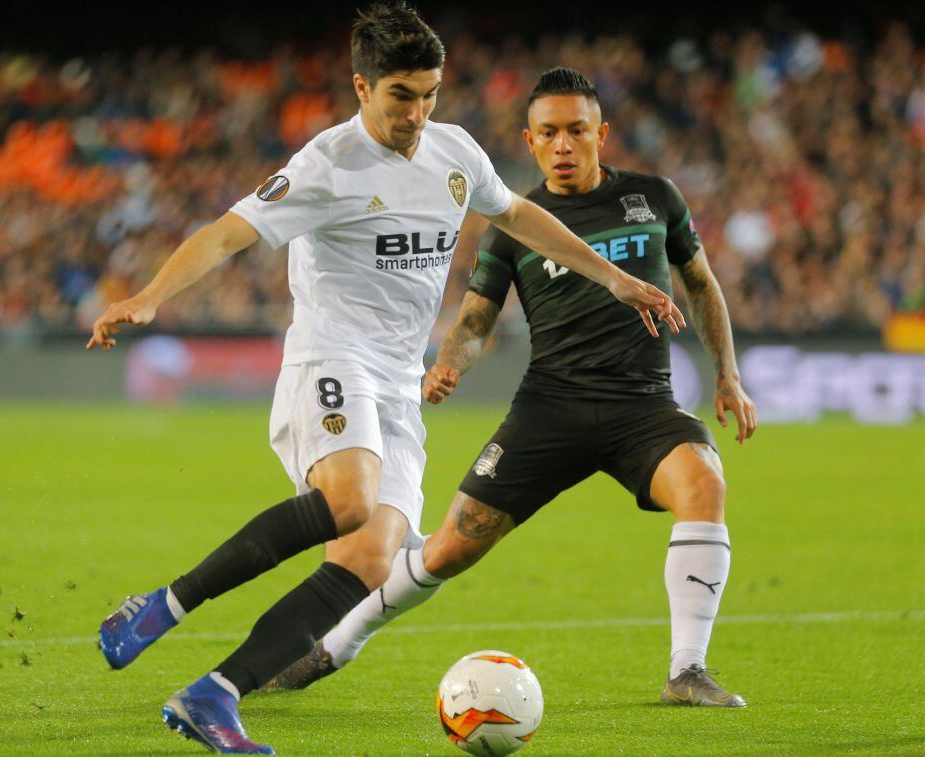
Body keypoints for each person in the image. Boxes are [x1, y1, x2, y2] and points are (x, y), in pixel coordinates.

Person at [88, 11, 685, 752]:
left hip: (398, 383)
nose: (418, 113)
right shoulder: (327, 165)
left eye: (431, 94)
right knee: (349, 499)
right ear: (362, 86)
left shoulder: (454, 151)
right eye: (402, 95)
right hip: (331, 358)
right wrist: (151, 294)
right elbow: (226, 232)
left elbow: (520, 214)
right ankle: (163, 605)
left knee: (370, 560)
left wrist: (615, 278)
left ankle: (214, 694)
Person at [264, 67, 756, 708]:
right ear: (529, 142)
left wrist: (728, 375)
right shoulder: (515, 223)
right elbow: (475, 317)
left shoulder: (655, 197)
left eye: (576, 130)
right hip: (549, 409)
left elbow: (702, 283)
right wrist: (451, 364)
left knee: (705, 484)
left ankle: (687, 671)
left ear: (600, 133)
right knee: (446, 550)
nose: (562, 144)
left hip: (645, 406)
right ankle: (334, 645)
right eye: (548, 132)